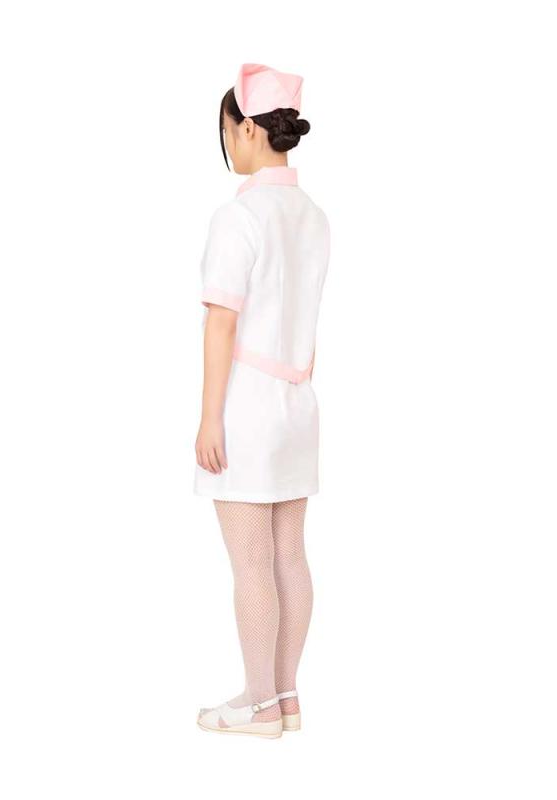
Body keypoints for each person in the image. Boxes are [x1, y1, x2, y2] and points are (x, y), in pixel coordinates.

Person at [194, 63, 331, 738]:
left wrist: (208, 418)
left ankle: (256, 704)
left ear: (247, 129)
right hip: (298, 405)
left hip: (248, 407)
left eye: (227, 131)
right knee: (289, 556)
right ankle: (285, 695)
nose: (227, 144)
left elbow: (222, 323)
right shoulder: (314, 216)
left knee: (251, 562)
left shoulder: (239, 215)